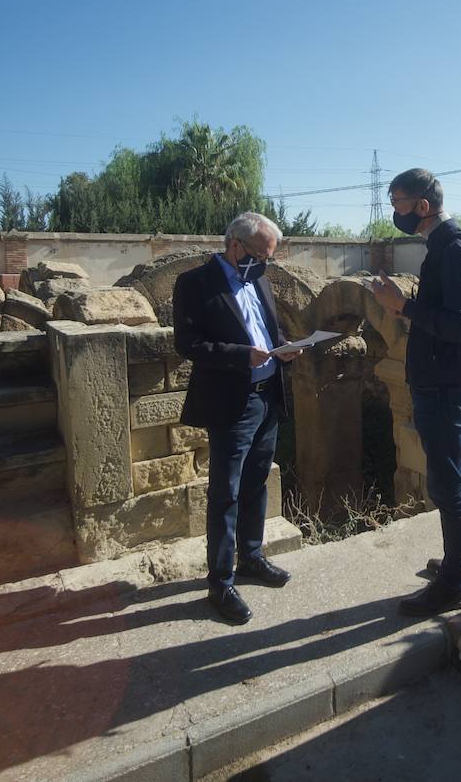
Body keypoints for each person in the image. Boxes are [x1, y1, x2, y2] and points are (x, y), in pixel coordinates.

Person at [368, 168, 461, 617]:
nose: (394, 212)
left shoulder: (456, 249)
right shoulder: (441, 246)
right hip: (439, 380)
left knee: (447, 485)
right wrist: (407, 308)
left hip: (442, 386)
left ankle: (453, 583)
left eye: (398, 203)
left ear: (423, 206)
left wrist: (402, 306)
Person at [173, 212, 302, 625]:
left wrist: (286, 347)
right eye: (261, 254)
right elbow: (189, 344)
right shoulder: (194, 283)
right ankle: (221, 582)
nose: (266, 263)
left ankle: (252, 557)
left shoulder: (259, 279)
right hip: (233, 401)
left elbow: (269, 330)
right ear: (235, 245)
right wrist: (240, 356)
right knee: (225, 493)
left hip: (267, 398)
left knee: (257, 483)